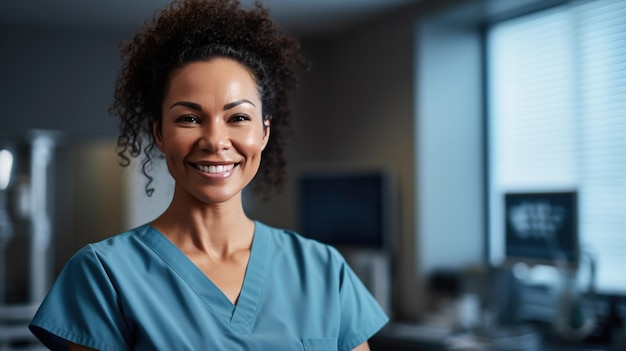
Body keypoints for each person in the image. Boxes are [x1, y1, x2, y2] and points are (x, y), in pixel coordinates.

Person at [28, 0, 389, 350]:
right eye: (189, 118)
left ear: (264, 133)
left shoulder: (323, 270)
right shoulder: (103, 274)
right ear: (159, 133)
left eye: (238, 118)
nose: (216, 141)